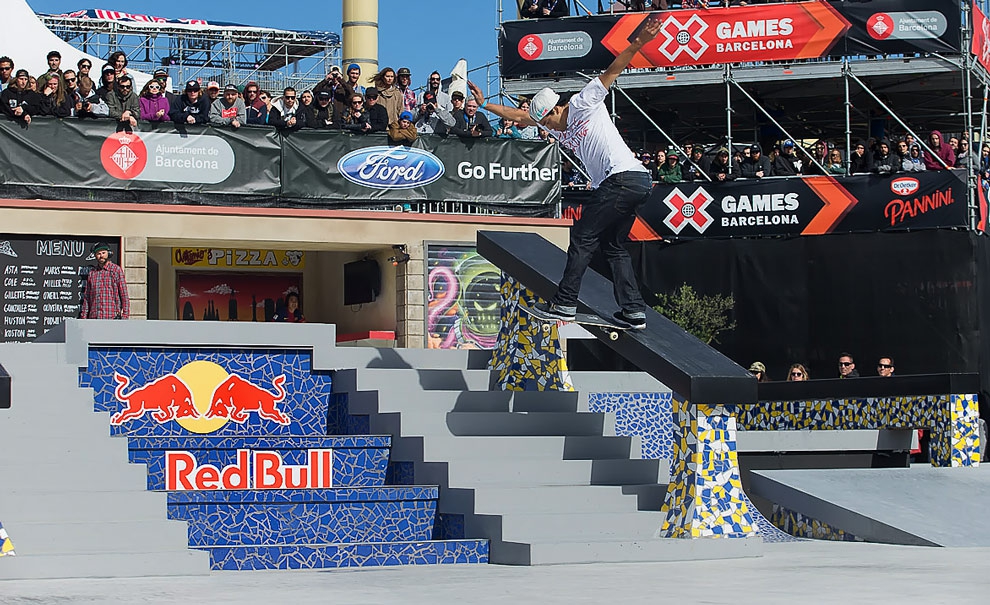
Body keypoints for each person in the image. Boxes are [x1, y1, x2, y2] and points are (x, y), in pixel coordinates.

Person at [468, 15, 663, 328]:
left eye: (548, 122)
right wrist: (484, 106)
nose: (548, 129)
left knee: (583, 238)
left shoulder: (584, 102)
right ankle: (634, 311)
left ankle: (565, 304)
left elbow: (612, 70)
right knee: (612, 246)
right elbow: (520, 116)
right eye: (543, 125)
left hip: (623, 179)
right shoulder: (555, 125)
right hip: (635, 182)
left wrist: (638, 43)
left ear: (557, 108)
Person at [81, 242, 129, 320]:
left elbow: (124, 294)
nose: (101, 256)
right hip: (94, 317)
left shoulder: (116, 270)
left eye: (103, 253)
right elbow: (87, 297)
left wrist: (125, 316)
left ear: (109, 253)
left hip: (112, 317)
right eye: (98, 253)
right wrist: (83, 317)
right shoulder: (92, 273)